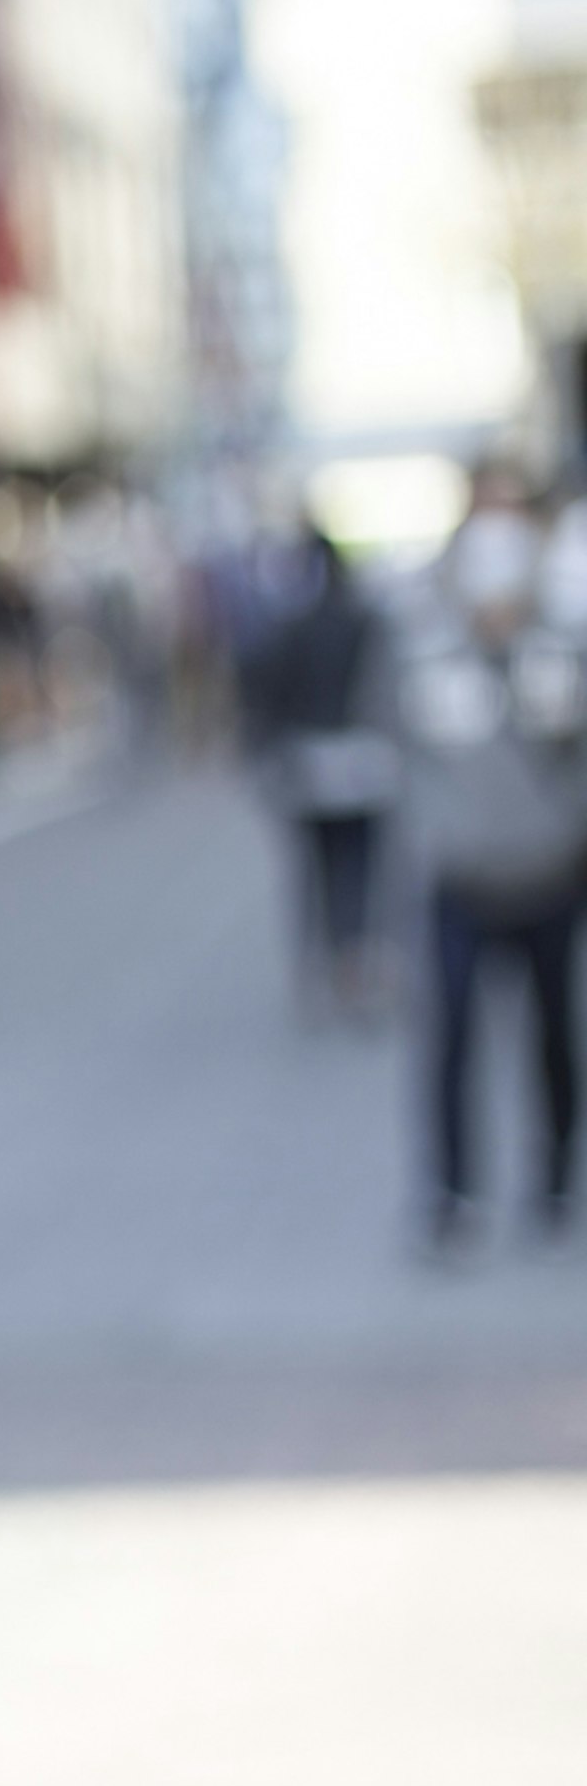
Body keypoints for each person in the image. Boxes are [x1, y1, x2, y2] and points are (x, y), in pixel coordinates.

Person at [386, 506, 587, 1258]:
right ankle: (452, 1190)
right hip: (463, 883)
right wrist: (437, 843)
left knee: (554, 1037)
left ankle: (557, 1173)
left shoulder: (562, 653)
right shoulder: (430, 662)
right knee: (451, 1043)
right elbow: (407, 766)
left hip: (551, 876)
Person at [239, 527, 394, 1022]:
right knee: (357, 865)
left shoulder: (289, 626)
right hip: (358, 759)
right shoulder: (361, 618)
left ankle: (327, 966)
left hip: (310, 759)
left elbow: (265, 698)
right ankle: (352, 963)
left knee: (317, 869)